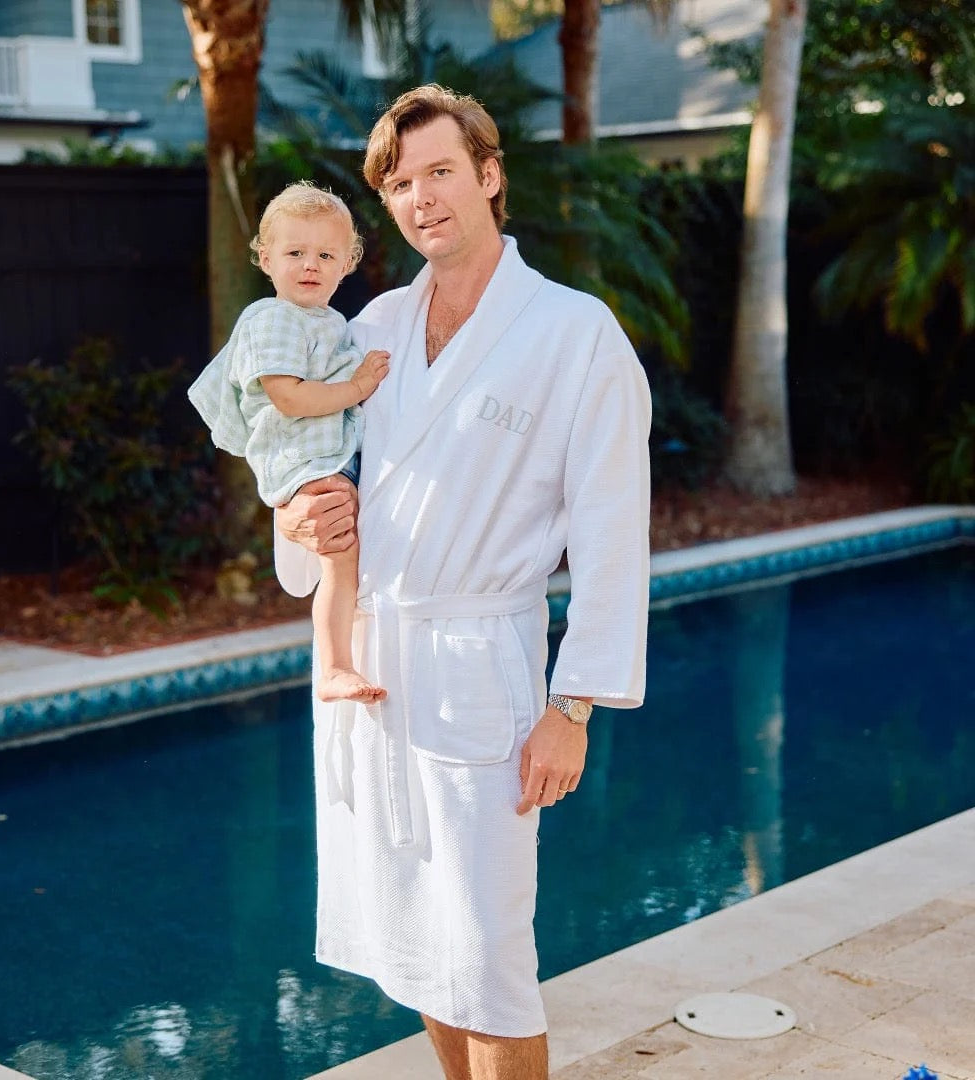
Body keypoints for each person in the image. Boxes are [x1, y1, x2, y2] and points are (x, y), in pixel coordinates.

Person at [275, 85, 651, 1079]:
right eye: (400, 184)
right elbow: (306, 470)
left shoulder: (575, 334)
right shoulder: (372, 327)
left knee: (488, 963)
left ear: (489, 176)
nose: (422, 198)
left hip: (482, 670)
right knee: (416, 945)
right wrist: (302, 522)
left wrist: (573, 705)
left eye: (440, 171)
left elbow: (613, 534)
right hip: (374, 672)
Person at [188, 182, 390, 703]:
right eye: (295, 252)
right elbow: (289, 397)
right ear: (265, 258)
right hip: (301, 457)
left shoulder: (327, 320)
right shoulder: (272, 318)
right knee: (340, 555)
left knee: (345, 553)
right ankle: (334, 667)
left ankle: (343, 659)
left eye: (325, 255)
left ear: (348, 263)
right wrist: (358, 388)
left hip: (321, 455)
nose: (310, 265)